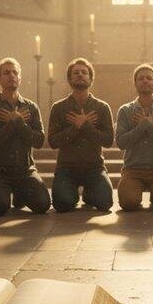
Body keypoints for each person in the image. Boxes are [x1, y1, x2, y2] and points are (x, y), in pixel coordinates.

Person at [0, 58, 51, 216]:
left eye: (15, 72)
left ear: (20, 78)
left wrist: (19, 123)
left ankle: (21, 194)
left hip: (25, 171)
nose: (11, 75)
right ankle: (11, 193)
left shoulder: (31, 107)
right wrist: (12, 124)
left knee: (43, 205)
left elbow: (39, 141)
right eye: (6, 73)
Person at [47, 57, 115, 212]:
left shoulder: (102, 107)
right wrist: (75, 128)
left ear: (91, 78)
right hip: (67, 168)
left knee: (105, 203)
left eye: (84, 72)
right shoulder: (58, 107)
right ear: (69, 79)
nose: (80, 75)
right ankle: (72, 193)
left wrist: (85, 126)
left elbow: (108, 140)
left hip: (94, 168)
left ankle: (89, 194)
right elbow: (52, 142)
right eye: (76, 72)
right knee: (62, 204)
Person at [114, 64, 153, 211]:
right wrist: (143, 126)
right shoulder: (125, 110)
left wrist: (149, 126)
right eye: (141, 78)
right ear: (135, 83)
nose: (145, 81)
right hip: (132, 169)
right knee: (128, 203)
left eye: (149, 78)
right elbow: (121, 143)